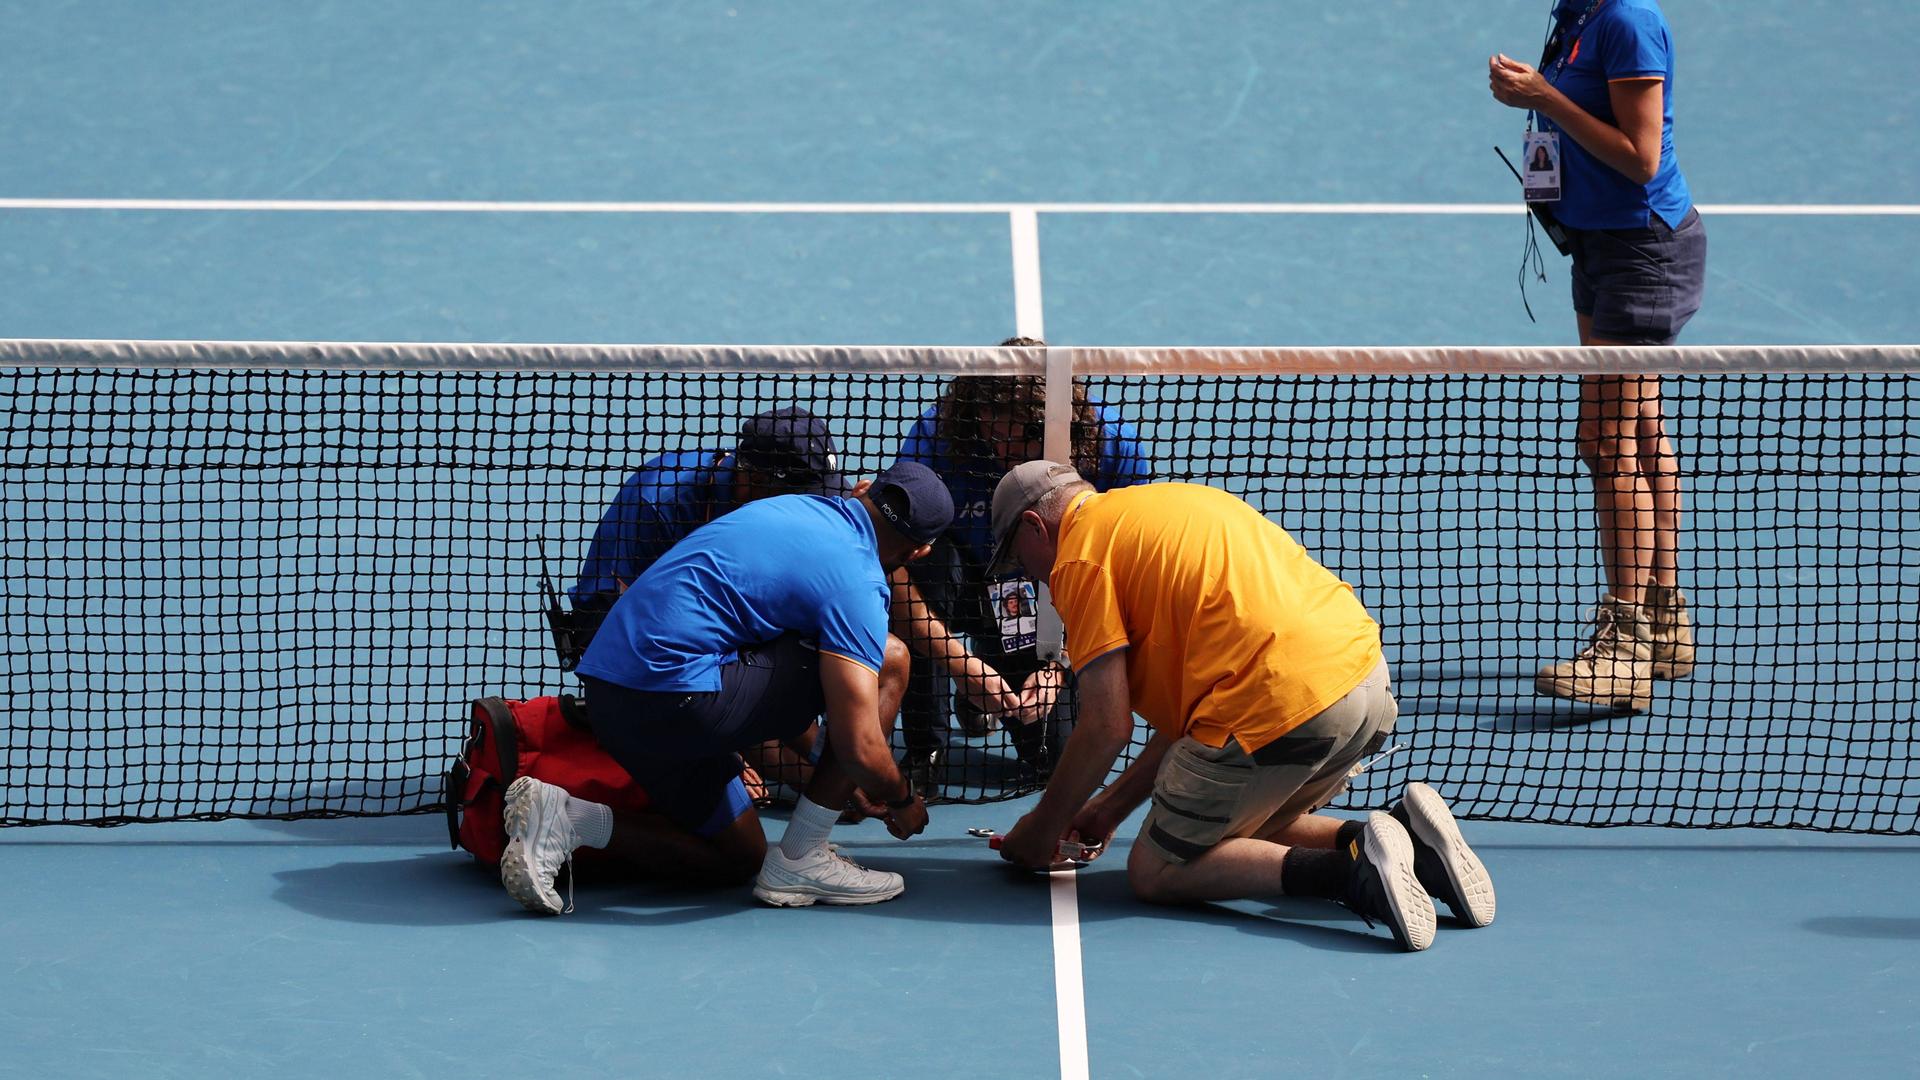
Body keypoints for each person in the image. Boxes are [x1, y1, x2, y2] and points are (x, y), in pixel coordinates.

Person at [989, 462, 1496, 951]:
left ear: (1035, 526)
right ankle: (1407, 843)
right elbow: (1194, 724)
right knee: (1243, 823)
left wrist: (1041, 830)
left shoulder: (1080, 556)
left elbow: (1106, 726)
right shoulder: (1170, 504)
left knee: (1154, 868)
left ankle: (1353, 874)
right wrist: (1107, 808)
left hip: (1278, 705)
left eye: (1016, 556)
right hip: (1365, 684)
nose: (1029, 575)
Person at [496, 463, 953, 915]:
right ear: (920, 552)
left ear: (863, 489)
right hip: (675, 699)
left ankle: (565, 817)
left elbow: (760, 668)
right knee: (891, 659)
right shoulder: (859, 582)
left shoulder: (794, 508)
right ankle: (802, 855)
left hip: (610, 699)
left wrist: (827, 767)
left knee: (738, 856)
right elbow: (860, 747)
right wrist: (901, 798)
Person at [1489, 0, 1705, 710]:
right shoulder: (1577, 15)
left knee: (1606, 442)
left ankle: (1624, 648)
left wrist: (1543, 96)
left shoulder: (1626, 20)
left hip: (1641, 250)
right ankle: (1665, 617)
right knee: (1639, 434)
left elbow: (1640, 160)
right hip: (1599, 244)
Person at [890, 338, 1151, 795]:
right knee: (928, 565)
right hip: (958, 577)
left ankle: (994, 684)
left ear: (1053, 424)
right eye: (993, 435)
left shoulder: (1112, 447)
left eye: (1019, 437)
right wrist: (960, 663)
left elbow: (1124, 572)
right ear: (973, 415)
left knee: (1055, 762)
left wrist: (1061, 660)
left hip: (1048, 598)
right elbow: (894, 565)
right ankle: (924, 750)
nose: (1005, 451)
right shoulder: (938, 439)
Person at [554, 405, 846, 797]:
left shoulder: (782, 510)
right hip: (666, 674)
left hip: (742, 652)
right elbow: (605, 623)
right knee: (819, 790)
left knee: (844, 792)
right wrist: (724, 748)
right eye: (801, 496)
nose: (813, 509)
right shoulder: (656, 502)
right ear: (755, 480)